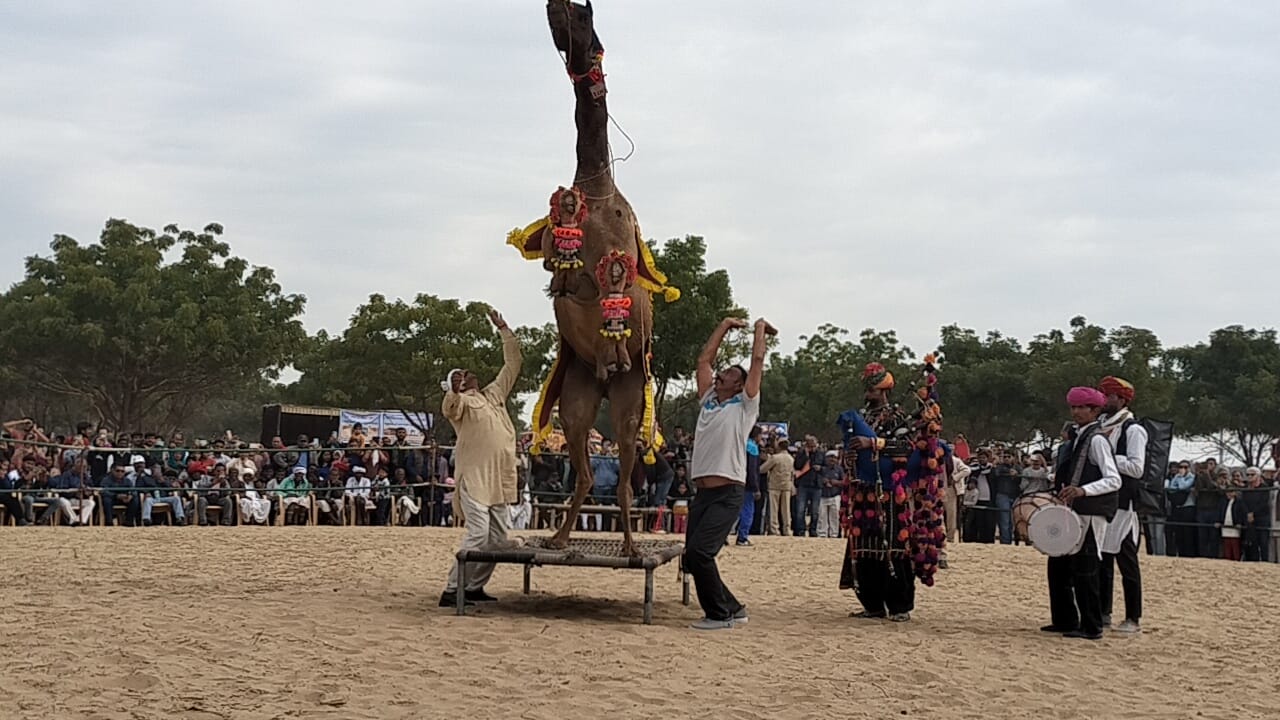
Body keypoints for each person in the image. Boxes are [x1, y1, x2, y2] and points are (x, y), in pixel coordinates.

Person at [838, 358, 948, 622]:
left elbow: (909, 449)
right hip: (862, 492)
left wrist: (874, 443)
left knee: (893, 547)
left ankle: (899, 606)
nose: (868, 394)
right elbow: (852, 449)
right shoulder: (862, 418)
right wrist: (850, 456)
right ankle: (872, 605)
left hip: (890, 495)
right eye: (866, 389)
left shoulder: (898, 417)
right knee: (864, 547)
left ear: (884, 390)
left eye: (873, 389)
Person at [684, 316, 771, 630]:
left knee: (700, 553)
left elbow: (757, 360)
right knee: (691, 558)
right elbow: (703, 359)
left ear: (739, 384)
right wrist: (723, 325)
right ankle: (733, 608)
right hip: (703, 493)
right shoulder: (708, 398)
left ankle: (718, 615)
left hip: (728, 492)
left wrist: (759, 329)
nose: (720, 375)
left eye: (729, 374)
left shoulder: (745, 405)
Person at [440, 308, 522, 608]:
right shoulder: (460, 403)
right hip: (474, 480)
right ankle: (451, 590)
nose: (468, 375)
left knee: (498, 540)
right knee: (478, 535)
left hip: (499, 478)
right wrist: (454, 390)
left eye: (467, 373)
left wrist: (504, 329)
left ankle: (474, 587)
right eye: (460, 375)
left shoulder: (494, 394)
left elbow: (513, 364)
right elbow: (449, 408)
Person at [1044, 387, 1122, 641]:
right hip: (1074, 511)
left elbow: (1113, 479)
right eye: (1074, 408)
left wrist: (1083, 490)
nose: (1077, 412)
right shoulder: (1078, 438)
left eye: (1082, 408)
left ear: (1095, 410)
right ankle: (1066, 619)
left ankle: (1092, 625)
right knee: (1061, 566)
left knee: (1086, 568)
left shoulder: (1097, 440)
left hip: (1091, 511)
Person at [1095, 376, 1145, 634]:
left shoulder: (1132, 429)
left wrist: (1109, 458)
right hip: (1103, 501)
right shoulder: (1100, 426)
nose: (1105, 400)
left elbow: (1137, 468)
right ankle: (1103, 612)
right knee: (1101, 557)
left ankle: (1133, 617)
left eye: (1110, 395)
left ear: (1122, 399)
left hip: (1124, 503)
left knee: (1126, 561)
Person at [760, 439, 795, 536]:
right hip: (786, 485)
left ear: (779, 446)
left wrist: (766, 460)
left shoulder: (775, 458)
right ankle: (787, 529)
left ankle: (774, 529)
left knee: (774, 509)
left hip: (774, 485)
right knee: (786, 509)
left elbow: (763, 469)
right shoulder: (791, 458)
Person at [736, 426, 763, 546]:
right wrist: (756, 487)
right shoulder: (752, 447)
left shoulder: (740, 444)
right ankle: (742, 537)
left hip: (736, 480)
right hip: (747, 485)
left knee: (733, 510)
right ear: (756, 435)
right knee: (747, 511)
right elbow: (752, 470)